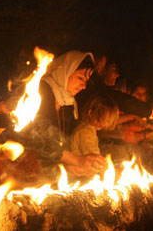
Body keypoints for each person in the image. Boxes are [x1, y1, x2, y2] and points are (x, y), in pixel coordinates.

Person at [21, 50, 106, 178]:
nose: (83, 86)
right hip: (22, 171)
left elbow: (60, 147)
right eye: (80, 78)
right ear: (65, 71)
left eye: (86, 81)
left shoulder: (69, 105)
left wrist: (69, 168)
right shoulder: (40, 91)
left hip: (47, 175)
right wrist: (77, 160)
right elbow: (38, 139)